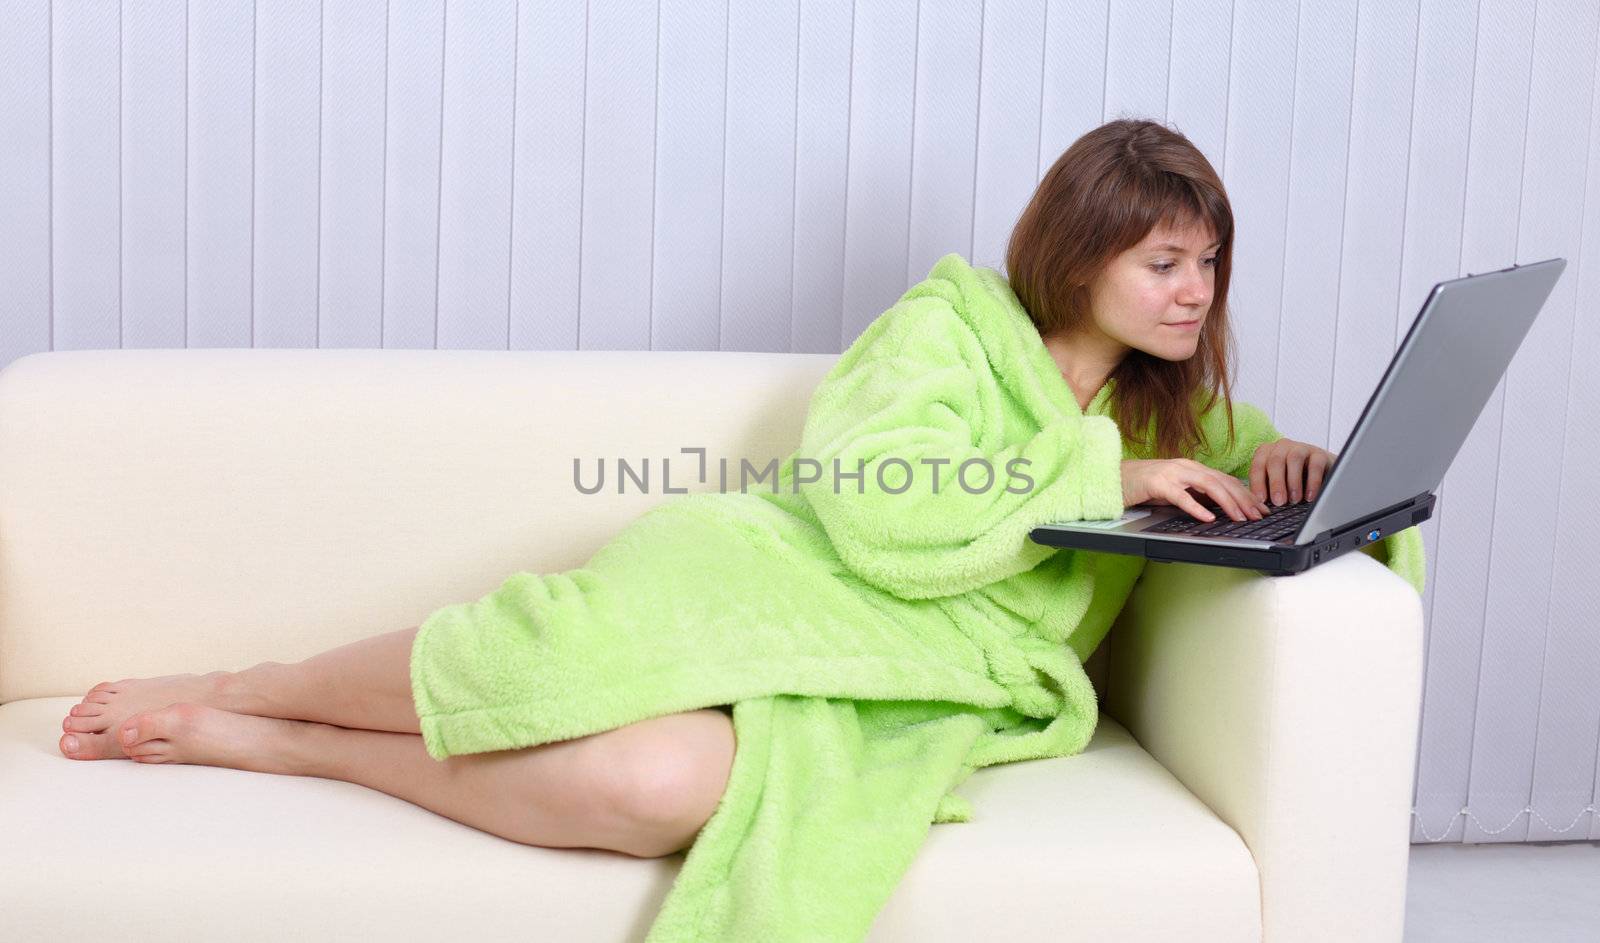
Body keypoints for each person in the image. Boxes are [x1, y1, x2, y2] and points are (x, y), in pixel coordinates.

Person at [55, 118, 1368, 900]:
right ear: (1078, 254)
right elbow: (872, 493)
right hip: (774, 578)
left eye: (1207, 263)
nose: (1194, 291)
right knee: (552, 657)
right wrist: (1093, 476)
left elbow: (1216, 464)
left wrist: (1285, 463)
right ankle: (258, 683)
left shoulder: (1171, 416)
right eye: (1163, 262)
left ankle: (295, 750)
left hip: (902, 680)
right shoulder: (945, 329)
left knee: (652, 781)